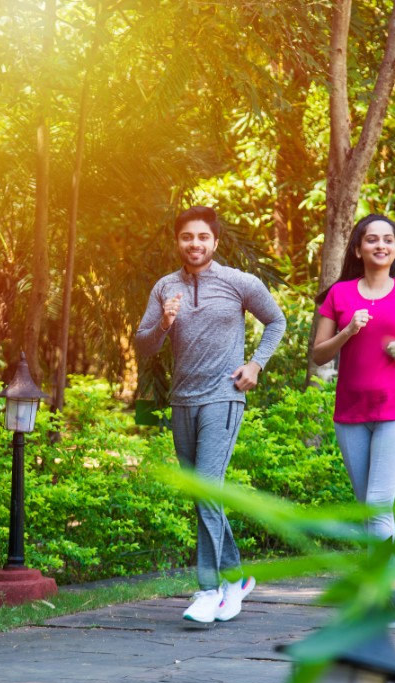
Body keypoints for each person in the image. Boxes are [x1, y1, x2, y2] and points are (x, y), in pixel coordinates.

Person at [136, 205, 286, 623]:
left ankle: (207, 589)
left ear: (215, 242)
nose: (195, 244)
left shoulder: (239, 282)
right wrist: (165, 323)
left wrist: (256, 364)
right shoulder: (165, 287)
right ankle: (236, 576)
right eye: (187, 237)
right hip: (183, 400)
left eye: (203, 237)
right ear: (178, 242)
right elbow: (144, 345)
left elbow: (276, 321)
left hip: (224, 396)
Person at [312, 213, 395, 628]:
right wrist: (347, 333)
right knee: (367, 508)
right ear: (358, 249)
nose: (380, 246)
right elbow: (319, 354)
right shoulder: (338, 295)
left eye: (387, 240)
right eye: (371, 240)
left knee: (377, 503)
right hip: (350, 413)